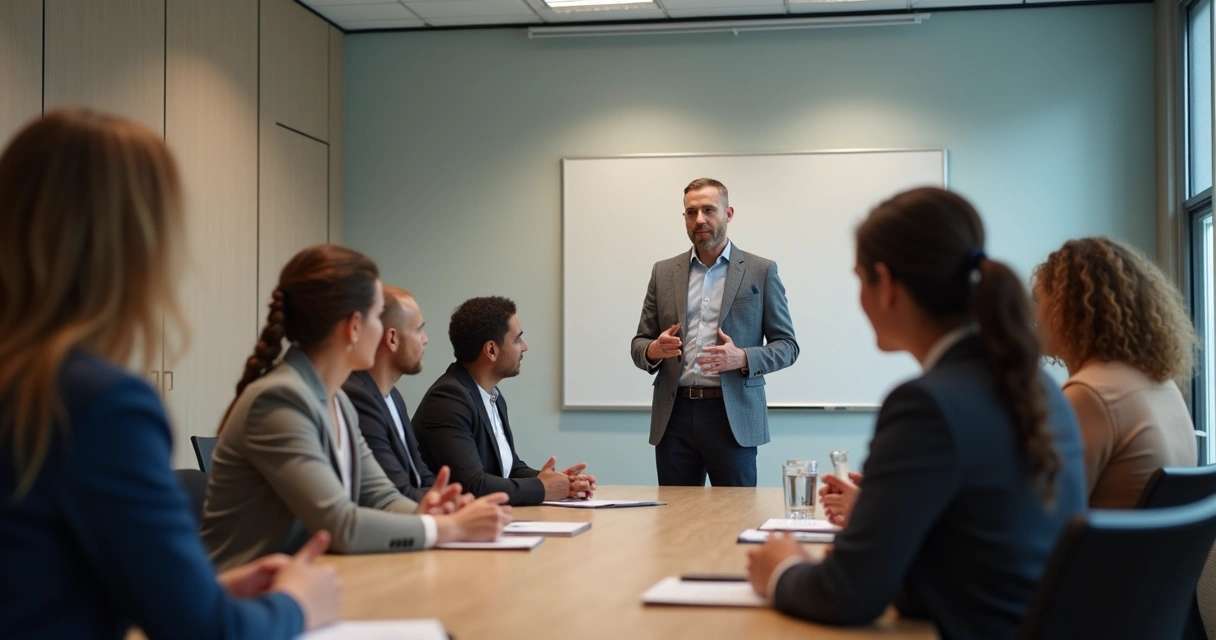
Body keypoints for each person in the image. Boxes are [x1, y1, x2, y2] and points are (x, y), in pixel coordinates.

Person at [0, 109, 339, 638]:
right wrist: (296, 603)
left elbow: (36, 578)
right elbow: (205, 633)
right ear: (136, 247)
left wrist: (201, 593)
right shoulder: (98, 403)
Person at [746, 187, 1086, 640]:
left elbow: (847, 596)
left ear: (885, 284)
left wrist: (782, 568)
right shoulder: (1036, 385)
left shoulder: (926, 405)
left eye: (859, 280)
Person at [201, 246, 512, 571]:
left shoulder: (338, 402)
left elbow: (381, 498)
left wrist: (430, 514)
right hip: (244, 592)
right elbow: (341, 525)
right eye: (377, 317)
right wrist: (448, 528)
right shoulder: (280, 399)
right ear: (353, 327)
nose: (383, 332)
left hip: (305, 580)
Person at [630, 177, 799, 487]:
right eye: (691, 212)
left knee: (737, 512)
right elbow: (640, 343)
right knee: (676, 513)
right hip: (674, 415)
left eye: (708, 210)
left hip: (732, 415)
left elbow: (788, 346)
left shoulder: (761, 271)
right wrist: (653, 350)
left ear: (728, 214)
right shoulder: (663, 272)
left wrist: (742, 357)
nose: (700, 219)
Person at [1032, 237, 1199, 508]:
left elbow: (1043, 513)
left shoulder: (1090, 394)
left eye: (1039, 302)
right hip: (1152, 539)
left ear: (1071, 309)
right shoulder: (1162, 385)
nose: (1034, 317)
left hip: (1096, 539)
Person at [413, 296, 595, 506]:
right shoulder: (448, 399)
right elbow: (473, 486)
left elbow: (510, 469)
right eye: (517, 340)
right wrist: (542, 488)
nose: (524, 347)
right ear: (491, 350)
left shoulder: (493, 396)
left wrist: (561, 482)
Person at [343, 286, 437, 501]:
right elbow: (397, 491)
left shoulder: (394, 396)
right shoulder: (357, 397)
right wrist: (444, 505)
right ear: (392, 339)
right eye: (419, 330)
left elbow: (420, 473)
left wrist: (449, 498)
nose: (425, 339)